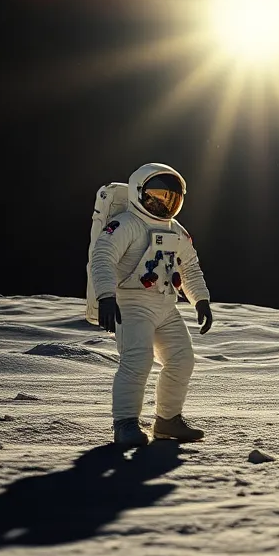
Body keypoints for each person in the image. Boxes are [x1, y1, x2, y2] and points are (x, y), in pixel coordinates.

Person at [88, 163, 214, 447]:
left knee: (182, 361)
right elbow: (103, 258)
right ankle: (125, 424)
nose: (162, 203)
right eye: (156, 196)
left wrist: (201, 299)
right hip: (130, 303)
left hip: (165, 305)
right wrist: (106, 296)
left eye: (170, 198)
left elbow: (190, 266)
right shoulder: (125, 224)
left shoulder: (176, 230)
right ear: (138, 193)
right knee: (137, 361)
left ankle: (167, 421)